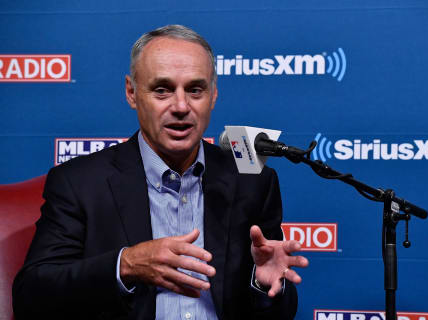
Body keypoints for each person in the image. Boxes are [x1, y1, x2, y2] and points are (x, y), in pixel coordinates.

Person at [12, 25, 308, 320]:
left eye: (195, 90)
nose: (181, 106)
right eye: (162, 90)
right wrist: (125, 264)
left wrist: (263, 284)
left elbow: (277, 312)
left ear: (214, 95)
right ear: (131, 93)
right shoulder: (80, 183)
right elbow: (31, 296)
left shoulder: (253, 183)